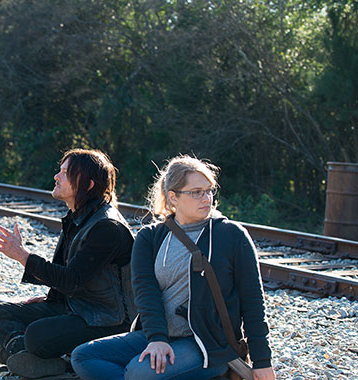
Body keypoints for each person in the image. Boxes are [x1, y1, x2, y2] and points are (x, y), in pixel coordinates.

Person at [71, 155, 276, 380]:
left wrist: (262, 361)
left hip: (208, 345)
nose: (206, 197)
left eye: (209, 190)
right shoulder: (150, 238)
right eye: (196, 192)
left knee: (138, 374)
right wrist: (157, 338)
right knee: (83, 356)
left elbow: (253, 301)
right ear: (173, 197)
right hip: (159, 335)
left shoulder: (231, 235)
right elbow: (146, 293)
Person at [0, 149, 135, 379]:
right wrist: (52, 298)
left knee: (37, 335)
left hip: (107, 319)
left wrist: (23, 255)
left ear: (87, 184)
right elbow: (71, 277)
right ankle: (22, 355)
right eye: (60, 170)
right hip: (76, 306)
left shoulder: (107, 228)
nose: (57, 176)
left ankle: (22, 354)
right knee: (0, 312)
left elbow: (72, 280)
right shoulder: (79, 217)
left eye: (65, 173)